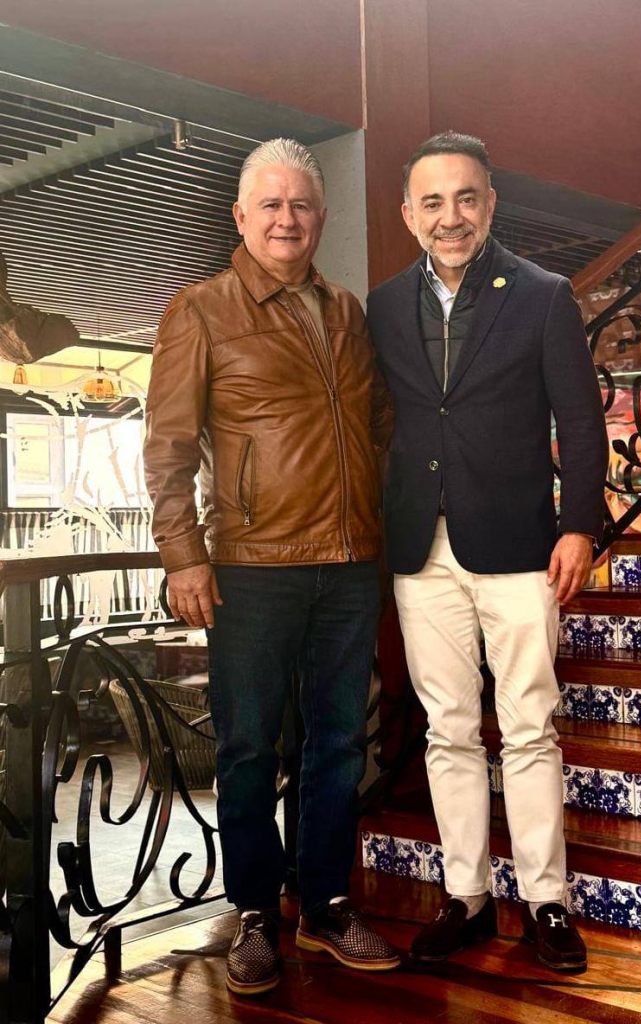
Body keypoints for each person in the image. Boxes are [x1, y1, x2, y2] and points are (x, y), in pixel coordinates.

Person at [143, 138, 397, 997]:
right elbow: (169, 448)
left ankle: (324, 905)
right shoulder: (200, 310)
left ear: (320, 217)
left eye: (302, 206)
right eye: (271, 205)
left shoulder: (347, 311)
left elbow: (378, 425)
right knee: (249, 745)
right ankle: (254, 912)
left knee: (339, 744)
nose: (287, 219)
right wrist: (183, 554)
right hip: (249, 566)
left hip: (350, 562)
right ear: (242, 217)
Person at [366, 131, 608, 972]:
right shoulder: (383, 307)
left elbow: (580, 421)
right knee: (449, 729)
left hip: (519, 545)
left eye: (466, 198)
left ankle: (546, 902)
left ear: (491, 204)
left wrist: (579, 524)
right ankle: (466, 898)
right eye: (432, 202)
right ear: (408, 214)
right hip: (419, 548)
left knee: (529, 725)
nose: (451, 216)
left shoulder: (543, 295)